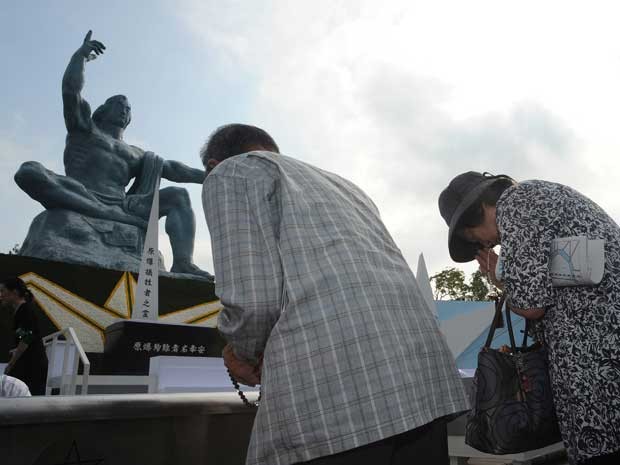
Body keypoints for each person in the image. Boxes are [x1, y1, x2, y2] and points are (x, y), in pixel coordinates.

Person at [201, 124, 469, 465]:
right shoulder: (346, 188)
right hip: (422, 386)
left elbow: (253, 302)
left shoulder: (229, 173)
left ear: (213, 164)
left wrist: (242, 352)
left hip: (338, 404)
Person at [438, 172, 620, 465]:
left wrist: (500, 274)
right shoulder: (536, 196)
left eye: (475, 239)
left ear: (478, 212)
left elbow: (531, 305)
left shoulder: (516, 203)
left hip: (595, 358)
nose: (488, 245)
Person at [14, 30, 210, 278]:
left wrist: (210, 175)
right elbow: (70, 91)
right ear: (102, 110)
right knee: (29, 171)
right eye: (119, 105)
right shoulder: (84, 129)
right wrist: (81, 55)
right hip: (81, 191)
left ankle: (183, 262)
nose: (124, 110)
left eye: (128, 108)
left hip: (125, 205)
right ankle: (101, 212)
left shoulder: (137, 154)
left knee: (178, 196)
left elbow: (174, 169)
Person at [1, 277, 48, 396]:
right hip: (28, 364)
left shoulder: (25, 310)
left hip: (32, 366)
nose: (1, 295)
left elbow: (27, 337)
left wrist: (11, 363)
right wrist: (17, 349)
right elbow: (26, 336)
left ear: (15, 292)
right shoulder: (21, 311)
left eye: (3, 291)